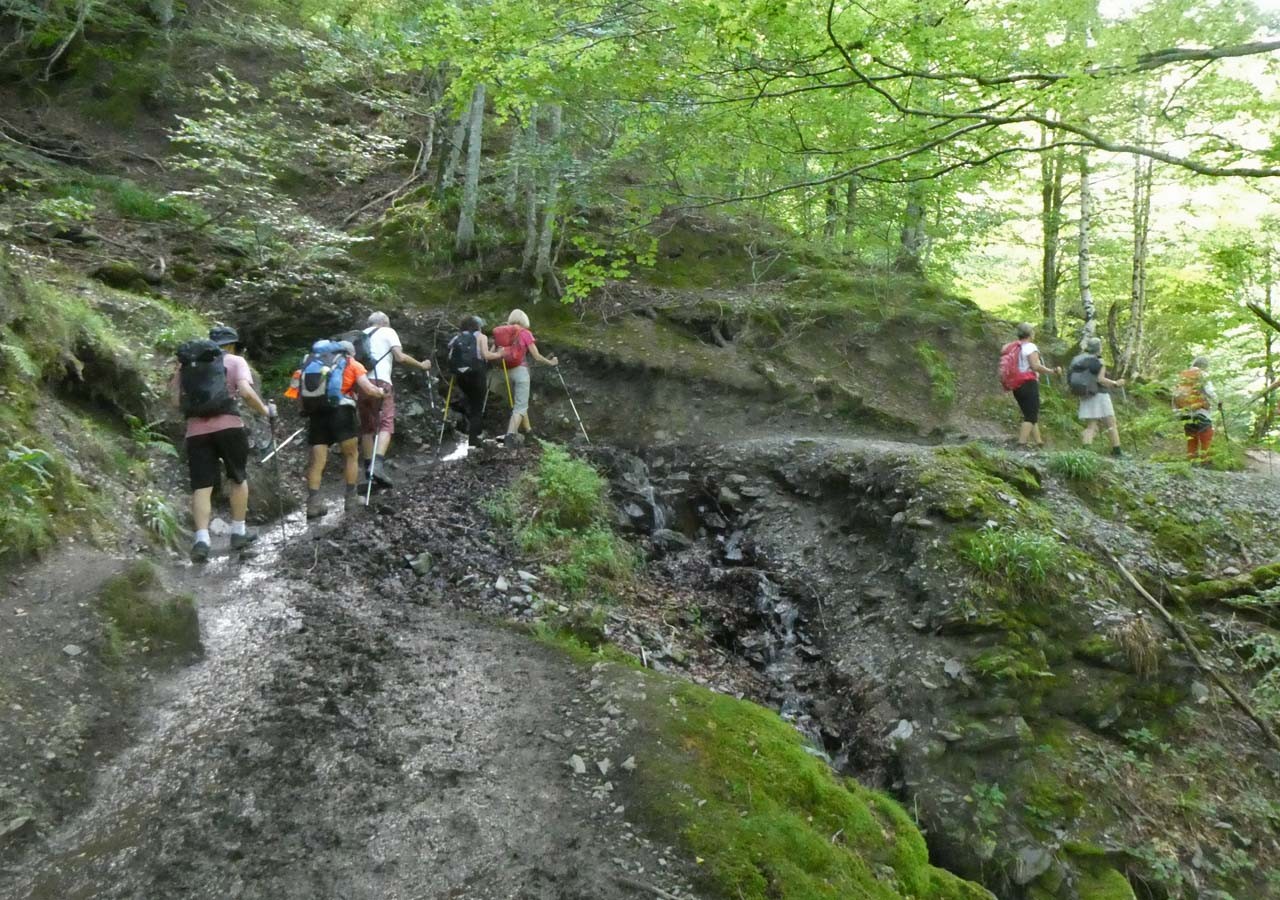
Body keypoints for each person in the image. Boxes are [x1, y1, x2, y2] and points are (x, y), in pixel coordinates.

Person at [173, 325, 275, 563]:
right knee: (237, 478)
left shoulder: (187, 365)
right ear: (231, 345)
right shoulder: (236, 361)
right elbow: (246, 393)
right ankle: (238, 533)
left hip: (196, 432)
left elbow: (175, 401)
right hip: (229, 427)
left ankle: (201, 540)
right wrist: (265, 411)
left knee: (202, 486)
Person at [305, 341, 385, 517]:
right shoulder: (352, 364)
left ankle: (313, 505)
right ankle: (350, 498)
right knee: (350, 455)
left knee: (317, 461)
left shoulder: (311, 363)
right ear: (350, 353)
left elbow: (297, 390)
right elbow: (368, 388)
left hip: (317, 413)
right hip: (342, 412)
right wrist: (381, 392)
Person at [358, 311, 432, 488]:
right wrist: (421, 365)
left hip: (361, 383)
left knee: (367, 427)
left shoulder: (360, 336)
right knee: (386, 423)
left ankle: (368, 469)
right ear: (385, 323)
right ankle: (378, 466)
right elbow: (400, 357)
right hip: (381, 382)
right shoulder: (388, 332)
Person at [494, 309, 558, 446]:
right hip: (520, 372)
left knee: (520, 404)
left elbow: (495, 352)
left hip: (504, 372)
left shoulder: (502, 333)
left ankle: (528, 431)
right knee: (520, 407)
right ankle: (509, 438)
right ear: (524, 320)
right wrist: (550, 363)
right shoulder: (525, 333)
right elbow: (537, 356)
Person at [1005, 323, 1061, 450]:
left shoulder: (1015, 347)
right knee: (1031, 416)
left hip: (1016, 385)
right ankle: (1021, 444)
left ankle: (1039, 443)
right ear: (1030, 334)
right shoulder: (1030, 346)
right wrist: (1052, 371)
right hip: (1028, 384)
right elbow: (1035, 366)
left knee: (1030, 414)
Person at [1069, 337, 1126, 457]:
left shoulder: (1079, 360)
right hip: (1100, 395)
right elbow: (1101, 380)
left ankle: (1085, 453)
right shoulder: (1099, 362)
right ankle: (1117, 452)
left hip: (1086, 395)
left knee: (1091, 426)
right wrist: (1116, 383)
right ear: (1099, 348)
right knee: (1111, 424)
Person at [1174, 356, 1220, 463]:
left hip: (1185, 412)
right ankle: (1205, 462)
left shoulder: (1183, 375)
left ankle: (1192, 461)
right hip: (1200, 411)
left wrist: (1176, 411)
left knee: (1191, 438)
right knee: (1206, 435)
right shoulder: (1202, 374)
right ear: (1204, 366)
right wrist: (1218, 402)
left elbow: (1175, 394)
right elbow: (1210, 391)